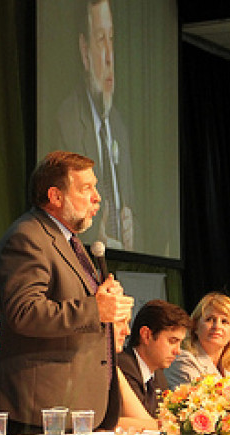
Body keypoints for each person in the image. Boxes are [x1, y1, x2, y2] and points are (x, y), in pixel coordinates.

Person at [0, 150, 133, 435]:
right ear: (55, 196)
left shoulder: (69, 242)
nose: (97, 198)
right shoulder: (28, 238)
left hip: (75, 406)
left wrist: (104, 306)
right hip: (41, 409)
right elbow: (24, 312)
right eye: (86, 188)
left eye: (96, 188)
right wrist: (95, 309)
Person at [52, 0, 135, 250]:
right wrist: (90, 240)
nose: (110, 56)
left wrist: (131, 231)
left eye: (112, 39)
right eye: (100, 40)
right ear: (85, 51)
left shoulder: (119, 125)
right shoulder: (66, 121)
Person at [118, 300, 190, 417]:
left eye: (180, 343)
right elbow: (140, 422)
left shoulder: (159, 376)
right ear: (146, 335)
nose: (177, 351)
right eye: (172, 341)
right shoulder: (124, 366)